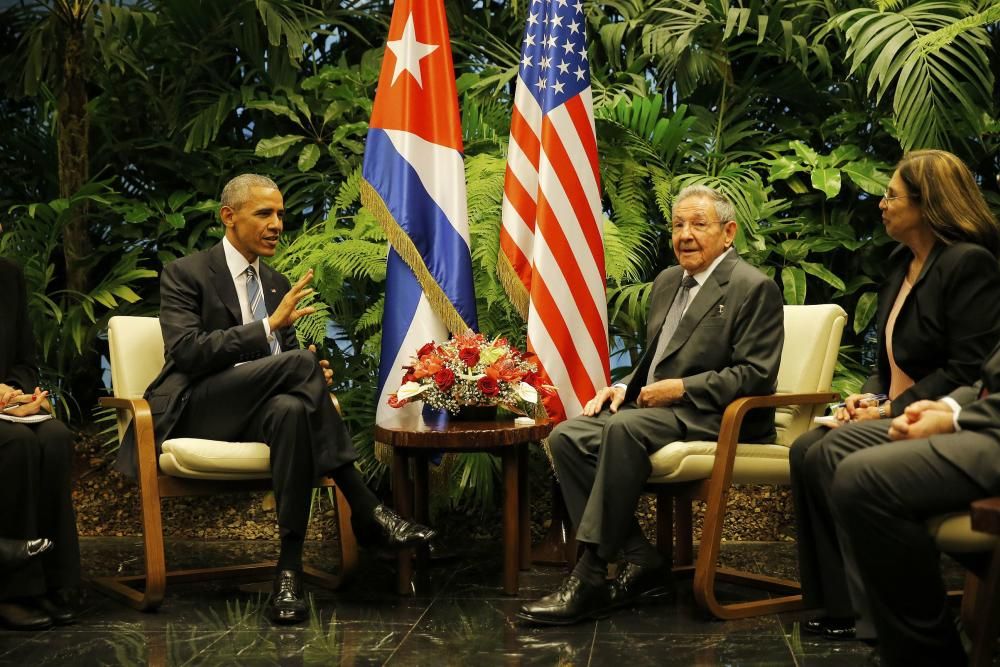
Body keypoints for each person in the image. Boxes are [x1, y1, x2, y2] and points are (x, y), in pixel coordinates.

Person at [113, 174, 436, 626]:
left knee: (290, 407)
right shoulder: (186, 273)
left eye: (281, 214)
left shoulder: (277, 281)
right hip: (198, 407)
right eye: (264, 213)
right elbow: (187, 352)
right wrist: (267, 332)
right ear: (229, 216)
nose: (277, 224)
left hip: (259, 410)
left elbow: (282, 362)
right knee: (300, 368)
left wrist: (305, 370)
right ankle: (366, 507)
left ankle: (288, 571)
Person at [517, 185, 784, 625]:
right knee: (568, 435)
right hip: (661, 413)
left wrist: (680, 389)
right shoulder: (666, 282)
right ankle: (643, 558)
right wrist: (623, 388)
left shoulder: (753, 287)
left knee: (624, 429)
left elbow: (755, 375)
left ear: (729, 231)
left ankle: (590, 574)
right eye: (678, 224)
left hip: (718, 416)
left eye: (699, 224)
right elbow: (657, 358)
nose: (685, 235)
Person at [789, 149, 1000, 641]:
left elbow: (968, 368)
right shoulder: (899, 264)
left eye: (891, 195)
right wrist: (865, 399)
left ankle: (877, 616)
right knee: (805, 449)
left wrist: (891, 409)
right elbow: (886, 364)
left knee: (828, 454)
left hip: (935, 413)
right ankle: (837, 603)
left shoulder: (968, 265)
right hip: (895, 407)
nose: (881, 204)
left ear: (927, 205)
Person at [831, 339, 1000, 666]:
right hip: (982, 421)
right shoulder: (893, 286)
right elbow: (987, 382)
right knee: (838, 448)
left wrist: (955, 420)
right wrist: (949, 407)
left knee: (864, 478)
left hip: (990, 433)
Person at [0, 254, 81, 630]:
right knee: (17, 444)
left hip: (6, 407)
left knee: (54, 436)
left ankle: (55, 579)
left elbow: (24, 357)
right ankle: (13, 590)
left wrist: (20, 395)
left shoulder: (8, 276)